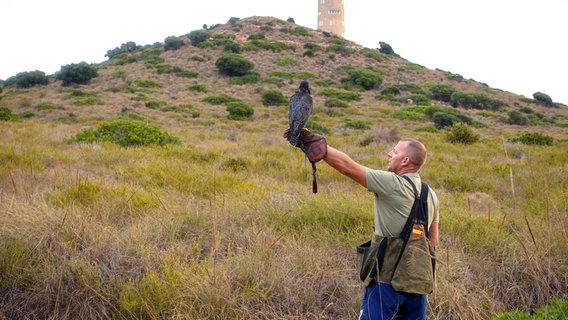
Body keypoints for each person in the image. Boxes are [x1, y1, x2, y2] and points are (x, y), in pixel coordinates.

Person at [285, 129, 439, 320]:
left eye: (395, 151)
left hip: (385, 282)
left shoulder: (393, 183)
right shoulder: (431, 194)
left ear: (405, 161)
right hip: (418, 285)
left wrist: (315, 144)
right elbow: (433, 241)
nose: (389, 154)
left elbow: (348, 167)